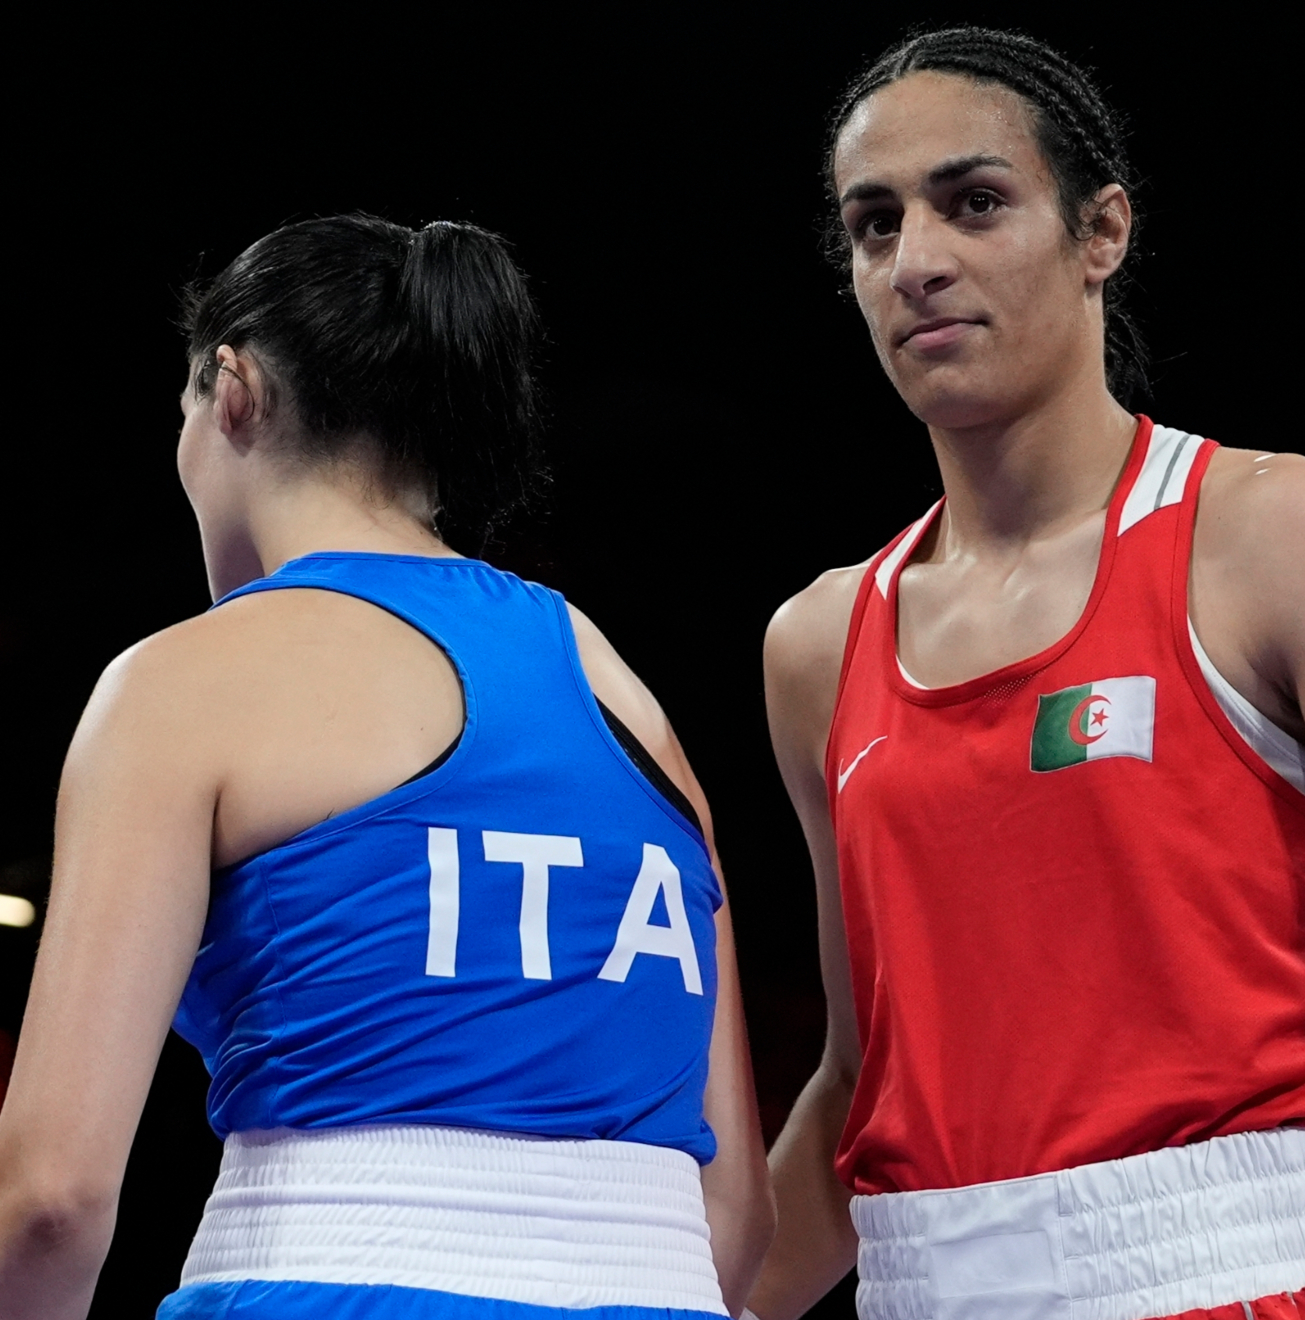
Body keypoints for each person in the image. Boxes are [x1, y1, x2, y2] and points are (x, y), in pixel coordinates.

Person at [749, 28, 1305, 1320]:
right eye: (874, 227)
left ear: (1103, 233)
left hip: (1233, 1286)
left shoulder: (1276, 538)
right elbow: (858, 1082)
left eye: (974, 203)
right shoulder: (818, 646)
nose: (917, 262)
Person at [0, 215, 774, 1319]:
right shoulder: (630, 702)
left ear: (233, 389)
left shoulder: (182, 683)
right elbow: (732, 1224)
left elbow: (50, 1201)